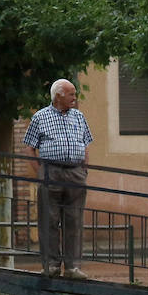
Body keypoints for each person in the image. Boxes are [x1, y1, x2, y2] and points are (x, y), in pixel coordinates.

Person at [24, 79, 93, 279]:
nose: (74, 97)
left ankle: (72, 267)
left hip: (75, 173)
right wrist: (40, 172)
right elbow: (29, 147)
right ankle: (51, 265)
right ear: (58, 96)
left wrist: (83, 169)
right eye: (71, 94)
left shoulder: (79, 117)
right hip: (51, 172)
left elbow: (86, 144)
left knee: (74, 221)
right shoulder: (40, 117)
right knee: (49, 220)